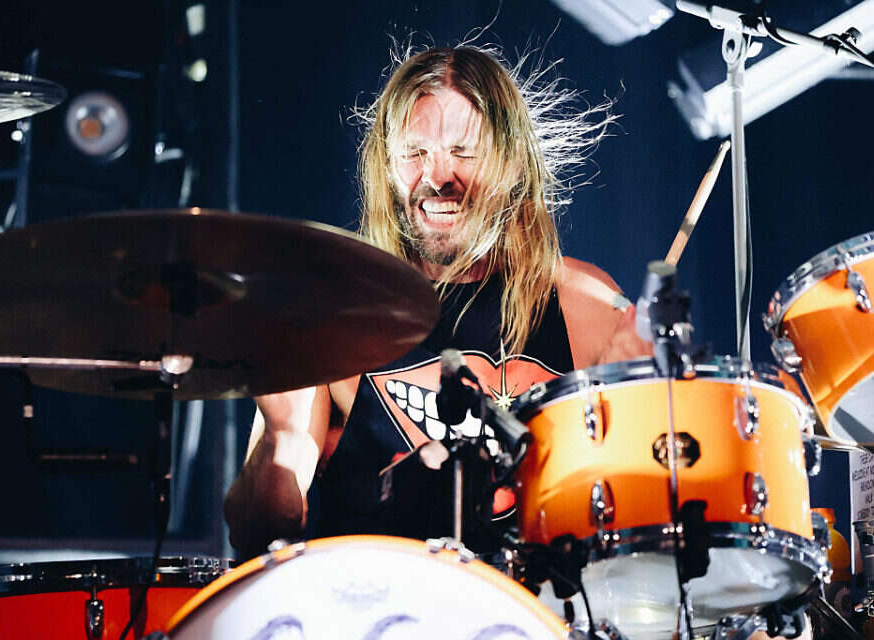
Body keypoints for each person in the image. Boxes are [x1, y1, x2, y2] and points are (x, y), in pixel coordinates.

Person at [224, 44, 649, 556]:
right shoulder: (333, 311)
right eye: (414, 153)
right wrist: (283, 436)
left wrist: (641, 416)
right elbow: (254, 533)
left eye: (464, 152)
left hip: (528, 604)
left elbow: (638, 526)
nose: (438, 177)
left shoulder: (585, 307)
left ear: (513, 162)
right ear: (386, 164)